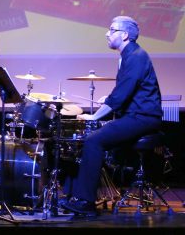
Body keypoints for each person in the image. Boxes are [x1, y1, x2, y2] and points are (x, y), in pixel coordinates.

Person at [62, 16, 163, 216]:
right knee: (88, 141)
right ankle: (74, 195)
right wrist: (109, 98)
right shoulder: (129, 55)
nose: (107, 33)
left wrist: (95, 117)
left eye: (112, 30)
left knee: (94, 141)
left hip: (143, 117)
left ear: (124, 35)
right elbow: (127, 91)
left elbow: (121, 95)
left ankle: (86, 203)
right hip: (135, 115)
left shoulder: (135, 56)